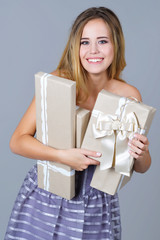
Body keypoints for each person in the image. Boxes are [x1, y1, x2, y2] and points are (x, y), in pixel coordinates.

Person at [5, 7, 151, 240]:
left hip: (97, 203)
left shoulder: (128, 96)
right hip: (46, 194)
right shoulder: (58, 82)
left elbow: (141, 165)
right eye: (85, 42)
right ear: (76, 46)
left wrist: (141, 152)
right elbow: (17, 141)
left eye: (102, 41)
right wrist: (62, 156)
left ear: (116, 45)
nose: (93, 50)